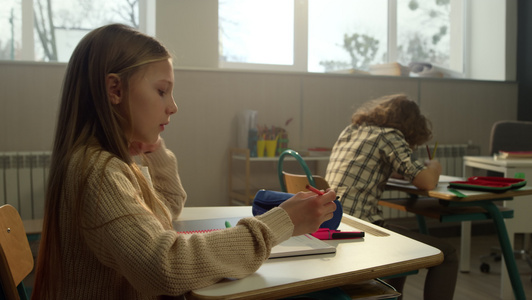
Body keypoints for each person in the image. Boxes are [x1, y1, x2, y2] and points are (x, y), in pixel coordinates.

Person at [31, 24, 337, 300]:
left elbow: (166, 209)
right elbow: (166, 266)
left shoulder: (103, 163)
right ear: (115, 90)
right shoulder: (98, 172)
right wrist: (280, 223)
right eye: (162, 91)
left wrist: (155, 149)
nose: (173, 107)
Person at [325, 94, 458, 300]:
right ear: (411, 126)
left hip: (333, 222)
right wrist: (434, 166)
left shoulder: (352, 131)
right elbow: (427, 182)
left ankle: (390, 296)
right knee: (447, 253)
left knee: (400, 242)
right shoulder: (390, 135)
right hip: (361, 229)